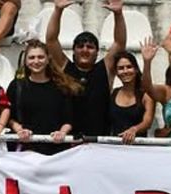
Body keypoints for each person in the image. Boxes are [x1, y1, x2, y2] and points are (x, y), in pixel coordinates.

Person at [46, 0, 126, 138]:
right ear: (73, 50)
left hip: (99, 141)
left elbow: (119, 43)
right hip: (67, 141)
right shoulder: (65, 67)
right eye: (80, 46)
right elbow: (51, 40)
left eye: (90, 47)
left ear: (97, 52)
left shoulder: (105, 69)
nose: (85, 50)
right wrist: (58, 11)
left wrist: (118, 14)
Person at [8, 40, 76, 152]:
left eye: (40, 57)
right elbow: (9, 117)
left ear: (48, 59)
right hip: (25, 150)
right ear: (25, 61)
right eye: (31, 57)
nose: (36, 61)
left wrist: (62, 133)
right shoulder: (16, 86)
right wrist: (19, 130)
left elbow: (69, 119)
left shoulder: (61, 86)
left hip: (56, 150)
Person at [107, 52, 155, 143]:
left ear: (136, 69)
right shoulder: (113, 93)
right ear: (116, 72)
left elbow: (147, 122)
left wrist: (135, 129)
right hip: (114, 146)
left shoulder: (146, 95)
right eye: (121, 68)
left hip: (138, 146)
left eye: (129, 67)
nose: (125, 71)